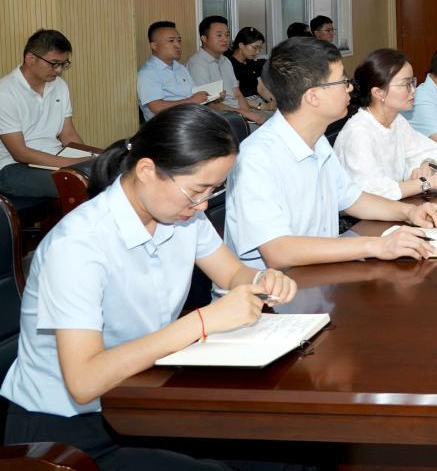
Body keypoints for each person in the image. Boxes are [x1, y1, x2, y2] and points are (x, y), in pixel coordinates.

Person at [0, 105, 299, 469]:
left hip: (140, 398)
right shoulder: (78, 245)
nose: (203, 204)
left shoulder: (181, 216)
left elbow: (232, 273)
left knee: (291, 451)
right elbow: (84, 380)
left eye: (213, 190)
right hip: (68, 433)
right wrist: (201, 322)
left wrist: (260, 279)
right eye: (197, 190)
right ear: (146, 171)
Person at [224, 37, 437, 271]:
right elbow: (279, 252)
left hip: (316, 273)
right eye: (343, 81)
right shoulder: (257, 158)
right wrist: (376, 246)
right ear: (313, 96)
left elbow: (352, 198)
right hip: (273, 287)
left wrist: (410, 212)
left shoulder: (317, 141)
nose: (350, 88)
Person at [333, 48, 437, 200]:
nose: (413, 90)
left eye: (413, 82)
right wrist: (429, 182)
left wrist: (426, 164)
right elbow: (371, 193)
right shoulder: (358, 133)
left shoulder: (396, 120)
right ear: (379, 92)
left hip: (395, 206)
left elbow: (430, 149)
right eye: (406, 84)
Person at [0, 30, 98, 199]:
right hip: (13, 167)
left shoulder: (59, 86)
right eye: (54, 63)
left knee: (111, 173)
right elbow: (20, 153)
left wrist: (88, 158)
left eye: (63, 64)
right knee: (78, 184)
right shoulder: (5, 93)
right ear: (30, 59)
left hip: (54, 158)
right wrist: (73, 164)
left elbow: (68, 134)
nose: (58, 70)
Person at [186, 16, 268, 131]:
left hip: (237, 112)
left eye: (227, 35)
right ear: (204, 38)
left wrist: (248, 114)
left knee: (274, 120)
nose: (225, 39)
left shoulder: (225, 61)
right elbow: (208, 104)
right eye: (219, 35)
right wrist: (244, 114)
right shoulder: (197, 64)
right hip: (220, 116)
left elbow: (237, 93)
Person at [137, 21, 215, 121]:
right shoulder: (147, 73)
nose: (178, 45)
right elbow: (157, 107)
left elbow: (194, 94)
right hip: (168, 125)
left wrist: (213, 96)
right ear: (154, 46)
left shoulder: (180, 68)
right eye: (171, 41)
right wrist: (191, 101)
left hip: (192, 118)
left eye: (179, 40)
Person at [228, 26, 274, 109]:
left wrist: (274, 101)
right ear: (241, 45)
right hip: (242, 105)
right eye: (255, 47)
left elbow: (261, 88)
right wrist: (262, 106)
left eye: (260, 48)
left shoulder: (250, 62)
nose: (257, 51)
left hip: (257, 101)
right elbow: (235, 96)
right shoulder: (229, 64)